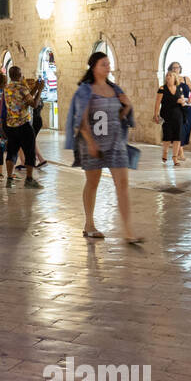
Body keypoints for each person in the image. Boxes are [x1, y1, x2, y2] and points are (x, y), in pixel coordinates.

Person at [65, 51, 140, 242]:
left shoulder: (115, 89)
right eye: (103, 64)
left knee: (122, 184)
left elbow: (118, 117)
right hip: (94, 143)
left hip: (116, 143)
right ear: (94, 67)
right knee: (93, 183)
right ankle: (89, 224)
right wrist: (90, 142)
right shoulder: (85, 90)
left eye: (108, 64)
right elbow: (81, 120)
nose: (107, 67)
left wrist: (127, 107)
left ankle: (129, 232)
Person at [2, 65, 42, 188]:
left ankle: (9, 178)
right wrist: (39, 90)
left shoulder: (7, 88)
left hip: (10, 125)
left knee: (12, 152)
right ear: (19, 75)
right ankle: (29, 180)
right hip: (23, 125)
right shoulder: (22, 88)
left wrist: (34, 88)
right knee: (29, 152)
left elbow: (25, 98)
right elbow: (34, 104)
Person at [154, 67, 187, 163]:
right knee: (167, 136)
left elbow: (183, 101)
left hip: (178, 115)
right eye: (167, 75)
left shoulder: (179, 88)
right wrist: (155, 115)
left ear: (174, 77)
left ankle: (175, 158)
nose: (168, 77)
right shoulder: (162, 88)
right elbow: (157, 103)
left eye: (170, 75)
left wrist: (182, 102)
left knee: (177, 137)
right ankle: (165, 152)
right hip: (166, 115)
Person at [175, 64, 191, 161]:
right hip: (177, 108)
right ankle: (180, 152)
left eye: (177, 67)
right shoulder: (171, 80)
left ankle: (180, 150)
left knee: (187, 128)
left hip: (187, 107)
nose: (176, 69)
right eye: (174, 67)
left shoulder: (185, 78)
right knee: (180, 129)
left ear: (180, 69)